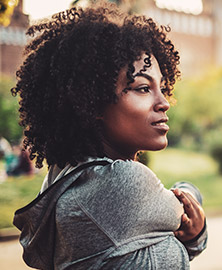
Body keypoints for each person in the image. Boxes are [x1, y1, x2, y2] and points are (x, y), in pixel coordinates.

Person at [12, 3, 206, 269]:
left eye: (162, 87)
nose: (164, 102)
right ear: (93, 103)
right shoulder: (122, 183)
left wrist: (192, 237)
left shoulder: (66, 177)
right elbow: (186, 211)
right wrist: (189, 197)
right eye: (142, 88)